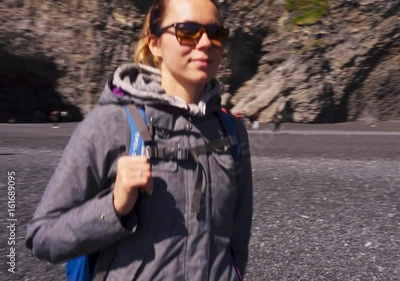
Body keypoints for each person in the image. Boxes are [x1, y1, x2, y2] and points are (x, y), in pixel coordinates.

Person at [25, 0, 253, 280]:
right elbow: (43, 237)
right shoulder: (110, 124)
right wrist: (114, 206)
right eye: (188, 30)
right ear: (155, 43)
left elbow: (237, 240)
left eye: (216, 33)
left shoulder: (231, 131)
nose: (205, 42)